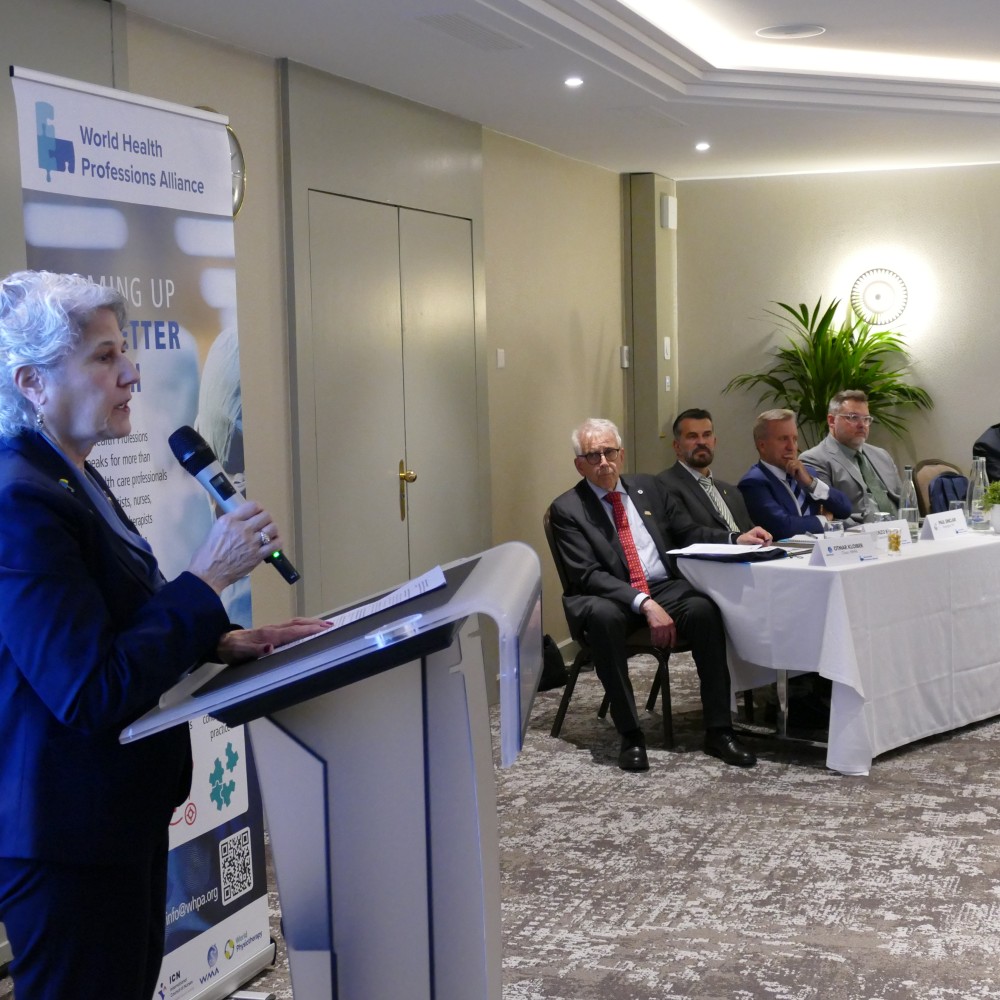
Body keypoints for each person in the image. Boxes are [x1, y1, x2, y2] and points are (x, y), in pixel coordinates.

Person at [0, 271, 329, 1000]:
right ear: (32, 383)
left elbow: (114, 620)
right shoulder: (18, 498)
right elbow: (89, 689)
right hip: (66, 835)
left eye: (126, 352)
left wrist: (218, 641)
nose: (132, 374)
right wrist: (207, 579)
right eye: (104, 356)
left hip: (116, 816)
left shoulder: (70, 475)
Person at [548, 417, 771, 772]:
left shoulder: (648, 488)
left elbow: (687, 532)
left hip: (661, 586)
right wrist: (644, 603)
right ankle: (630, 735)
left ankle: (719, 730)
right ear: (579, 464)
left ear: (621, 455)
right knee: (603, 619)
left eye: (609, 452)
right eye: (593, 456)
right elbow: (587, 575)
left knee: (705, 611)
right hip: (609, 595)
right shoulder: (568, 509)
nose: (603, 462)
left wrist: (734, 538)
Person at [738, 408, 852, 540]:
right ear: (762, 446)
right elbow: (784, 527)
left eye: (795, 439)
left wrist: (811, 483)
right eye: (783, 439)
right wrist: (824, 520)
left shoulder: (806, 473)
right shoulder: (753, 482)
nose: (792, 447)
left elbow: (845, 509)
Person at [799, 390, 901, 523]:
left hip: (901, 529)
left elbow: (905, 501)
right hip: (860, 532)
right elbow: (829, 514)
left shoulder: (882, 455)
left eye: (866, 419)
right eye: (853, 417)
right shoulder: (814, 459)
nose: (862, 425)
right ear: (831, 420)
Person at [657, 407, 753, 533]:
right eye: (692, 436)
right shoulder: (665, 485)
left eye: (707, 435)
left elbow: (749, 530)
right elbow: (686, 533)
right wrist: (733, 539)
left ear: (714, 441)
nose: (702, 442)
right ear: (677, 446)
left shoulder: (732, 492)